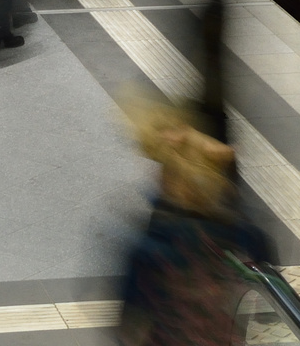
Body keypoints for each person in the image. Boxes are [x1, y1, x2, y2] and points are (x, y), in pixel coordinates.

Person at [117, 97, 274, 346]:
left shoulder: (148, 248)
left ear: (168, 182)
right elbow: (269, 279)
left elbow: (130, 319)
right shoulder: (241, 235)